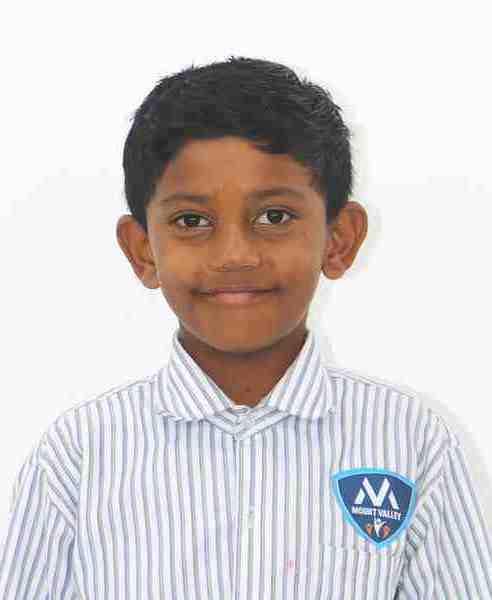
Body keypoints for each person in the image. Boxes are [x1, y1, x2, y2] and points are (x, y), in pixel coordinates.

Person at [1, 56, 491, 599]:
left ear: (339, 240)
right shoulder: (79, 455)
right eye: (192, 221)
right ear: (143, 251)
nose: (234, 255)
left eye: (274, 217)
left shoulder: (411, 442)